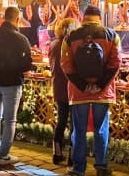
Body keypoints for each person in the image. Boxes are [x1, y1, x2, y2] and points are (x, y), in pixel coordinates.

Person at [61, 6, 119, 176]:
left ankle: (79, 169)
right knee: (101, 129)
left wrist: (83, 85)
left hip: (79, 93)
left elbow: (66, 64)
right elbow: (116, 63)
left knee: (79, 130)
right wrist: (100, 85)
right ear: (99, 18)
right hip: (103, 92)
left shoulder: (70, 36)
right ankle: (101, 166)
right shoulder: (111, 35)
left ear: (83, 17)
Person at [0, 6, 33, 164]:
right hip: (12, 82)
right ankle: (4, 155)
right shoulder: (21, 39)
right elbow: (27, 64)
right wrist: (17, 70)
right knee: (10, 119)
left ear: (4, 17)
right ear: (17, 19)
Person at [49, 18, 78, 165]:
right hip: (71, 88)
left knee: (61, 120)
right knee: (74, 123)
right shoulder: (70, 45)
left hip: (58, 87)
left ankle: (57, 153)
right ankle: (72, 157)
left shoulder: (53, 43)